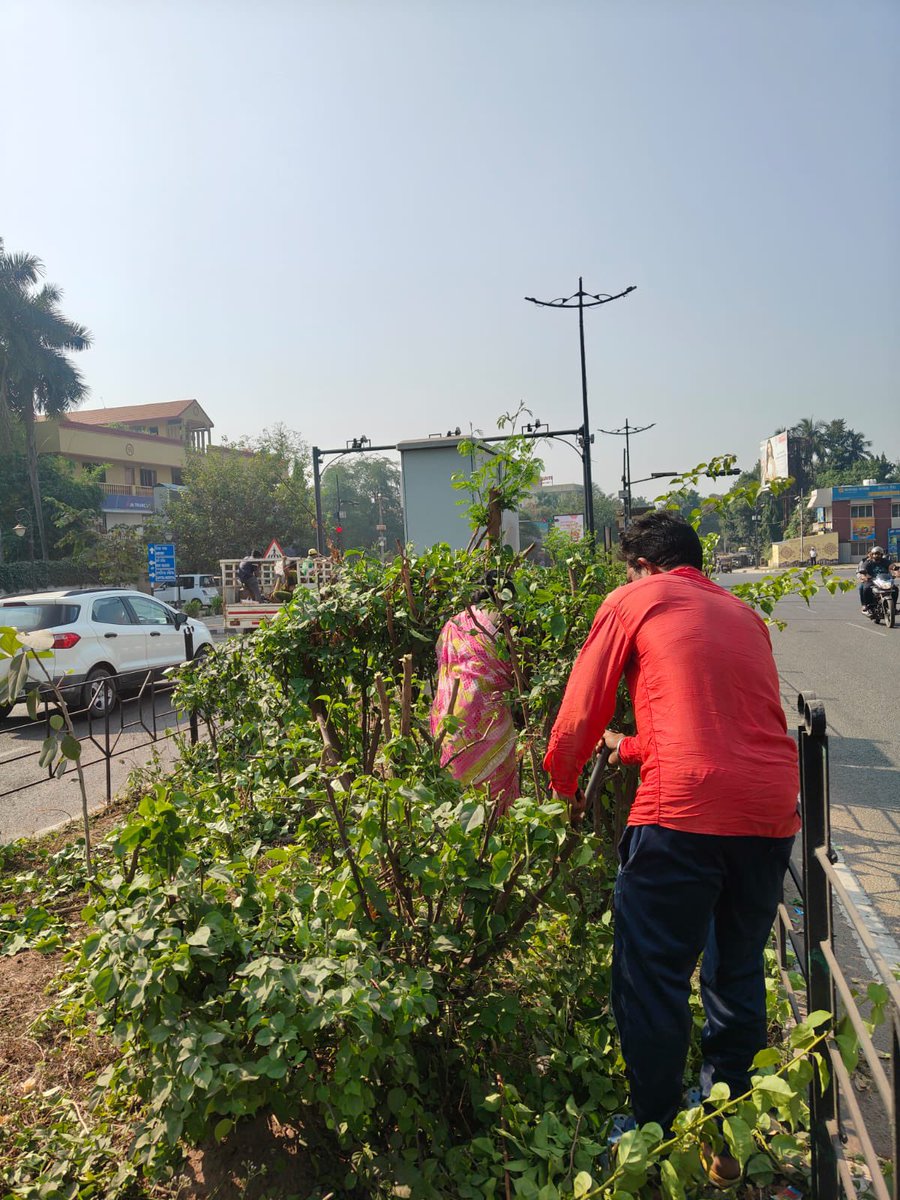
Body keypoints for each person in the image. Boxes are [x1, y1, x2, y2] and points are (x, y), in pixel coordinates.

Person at [544, 512, 799, 1182]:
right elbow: (711, 729)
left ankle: (653, 1134)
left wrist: (562, 787)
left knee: (649, 978)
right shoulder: (741, 615)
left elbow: (579, 710)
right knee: (736, 967)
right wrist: (626, 748)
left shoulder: (635, 599)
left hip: (682, 815)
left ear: (639, 566)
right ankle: (724, 1121)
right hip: (770, 811)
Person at [430, 576, 519, 812]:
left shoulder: (453, 624)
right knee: (496, 801)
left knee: (458, 798)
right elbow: (513, 671)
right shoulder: (502, 620)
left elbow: (443, 664)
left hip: (451, 718)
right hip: (490, 725)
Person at [857, 546, 895, 612]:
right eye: (875, 554)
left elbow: (891, 566)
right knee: (866, 588)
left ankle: (893, 607)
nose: (877, 555)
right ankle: (867, 605)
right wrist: (865, 575)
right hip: (872, 580)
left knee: (895, 589)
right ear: (872, 554)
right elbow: (863, 569)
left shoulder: (885, 561)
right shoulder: (868, 562)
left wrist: (894, 569)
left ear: (881, 554)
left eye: (878, 554)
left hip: (884, 580)